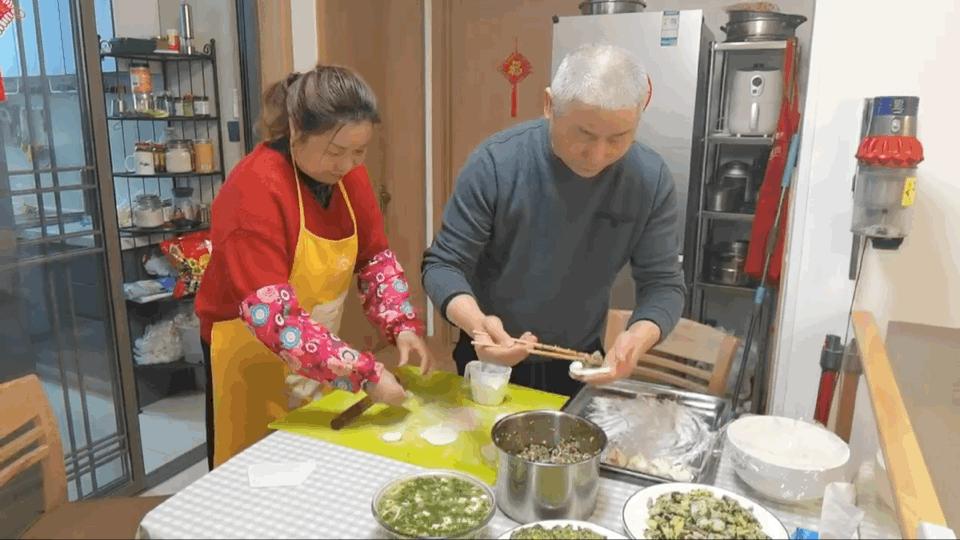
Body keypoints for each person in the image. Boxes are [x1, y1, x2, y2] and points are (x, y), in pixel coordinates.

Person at [196, 65, 433, 468]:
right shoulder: (253, 192)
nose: (347, 164)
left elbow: (374, 258)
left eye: (359, 151)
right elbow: (276, 319)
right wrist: (367, 373)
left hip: (316, 349)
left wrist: (401, 325)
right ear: (294, 129)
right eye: (336, 151)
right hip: (249, 353)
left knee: (310, 463)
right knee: (255, 474)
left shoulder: (348, 177)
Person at [421, 44, 685, 397]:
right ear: (549, 105)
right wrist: (478, 325)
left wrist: (639, 336)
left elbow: (664, 285)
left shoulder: (648, 180)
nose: (598, 155)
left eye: (618, 138)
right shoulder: (497, 164)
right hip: (490, 353)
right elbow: (442, 266)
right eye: (584, 134)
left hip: (578, 359)